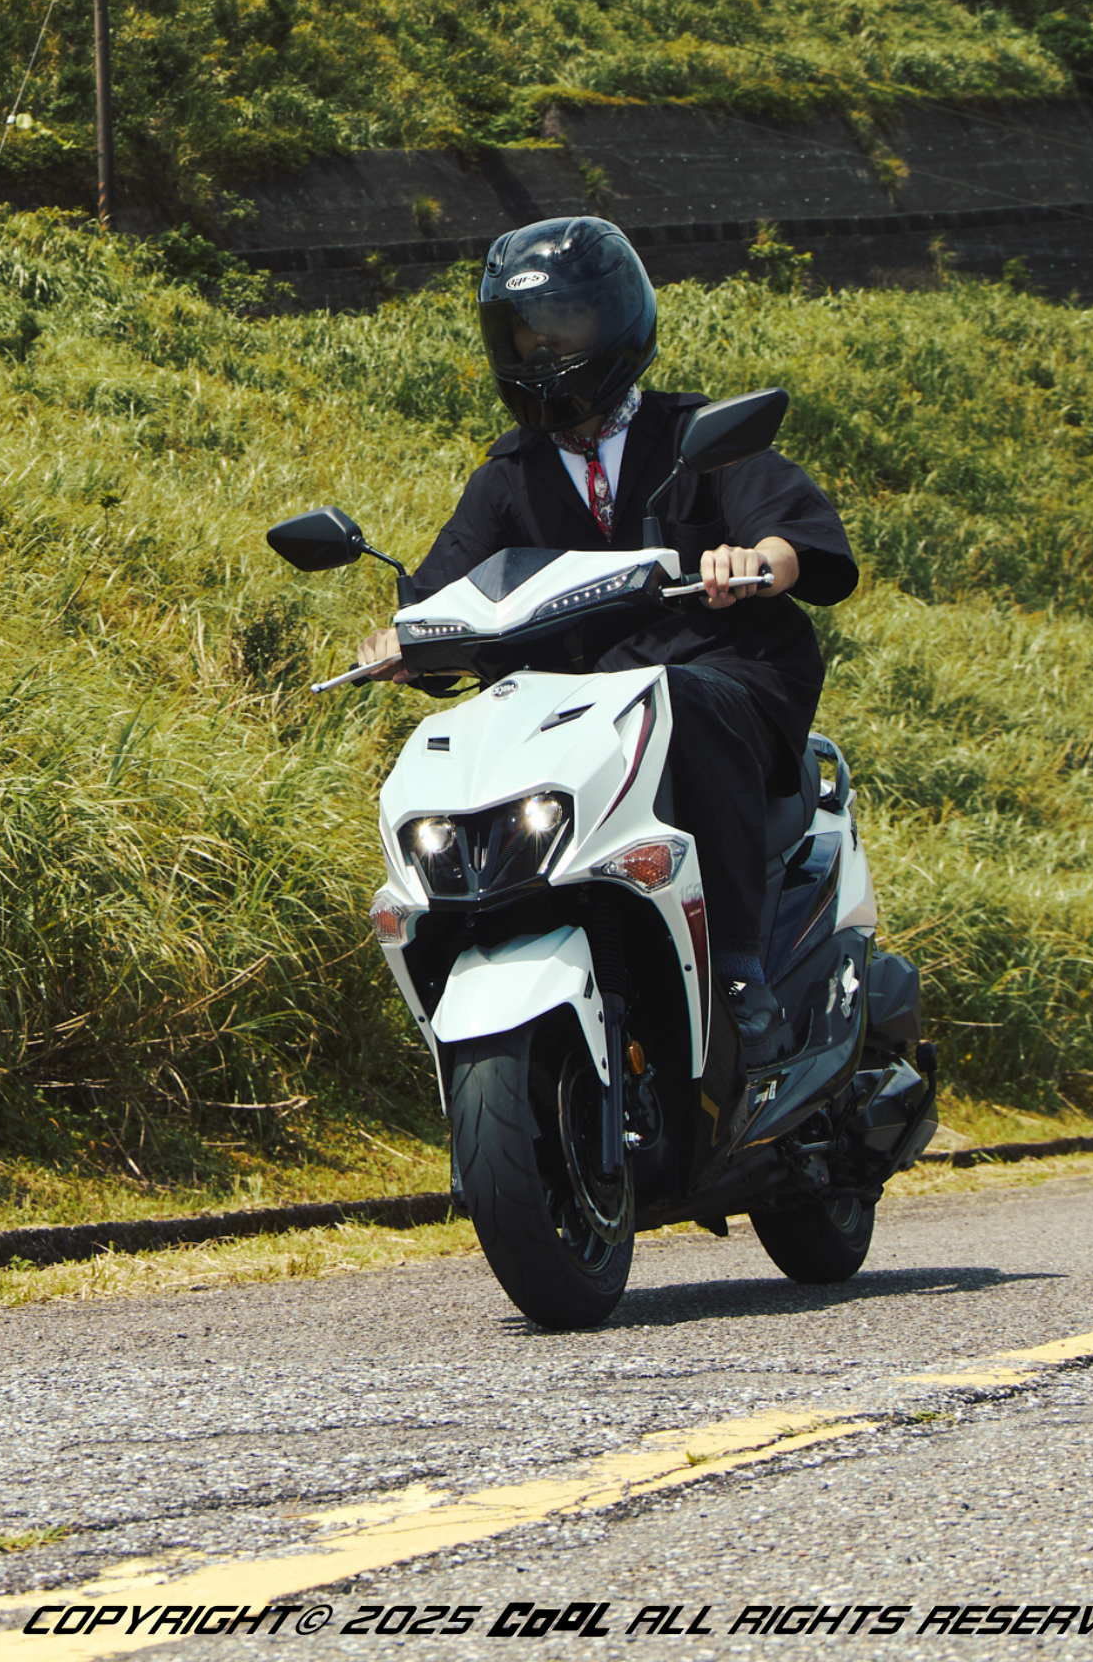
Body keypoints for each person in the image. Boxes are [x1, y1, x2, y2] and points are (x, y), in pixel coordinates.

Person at [357, 216, 858, 1062]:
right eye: (521, 330)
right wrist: (400, 641)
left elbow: (791, 534)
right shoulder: (509, 474)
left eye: (563, 325)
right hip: (578, 709)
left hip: (721, 671)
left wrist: (756, 561)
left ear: (617, 319)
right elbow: (445, 591)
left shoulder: (696, 435)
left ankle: (737, 963)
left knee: (683, 702)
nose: (541, 348)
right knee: (467, 738)